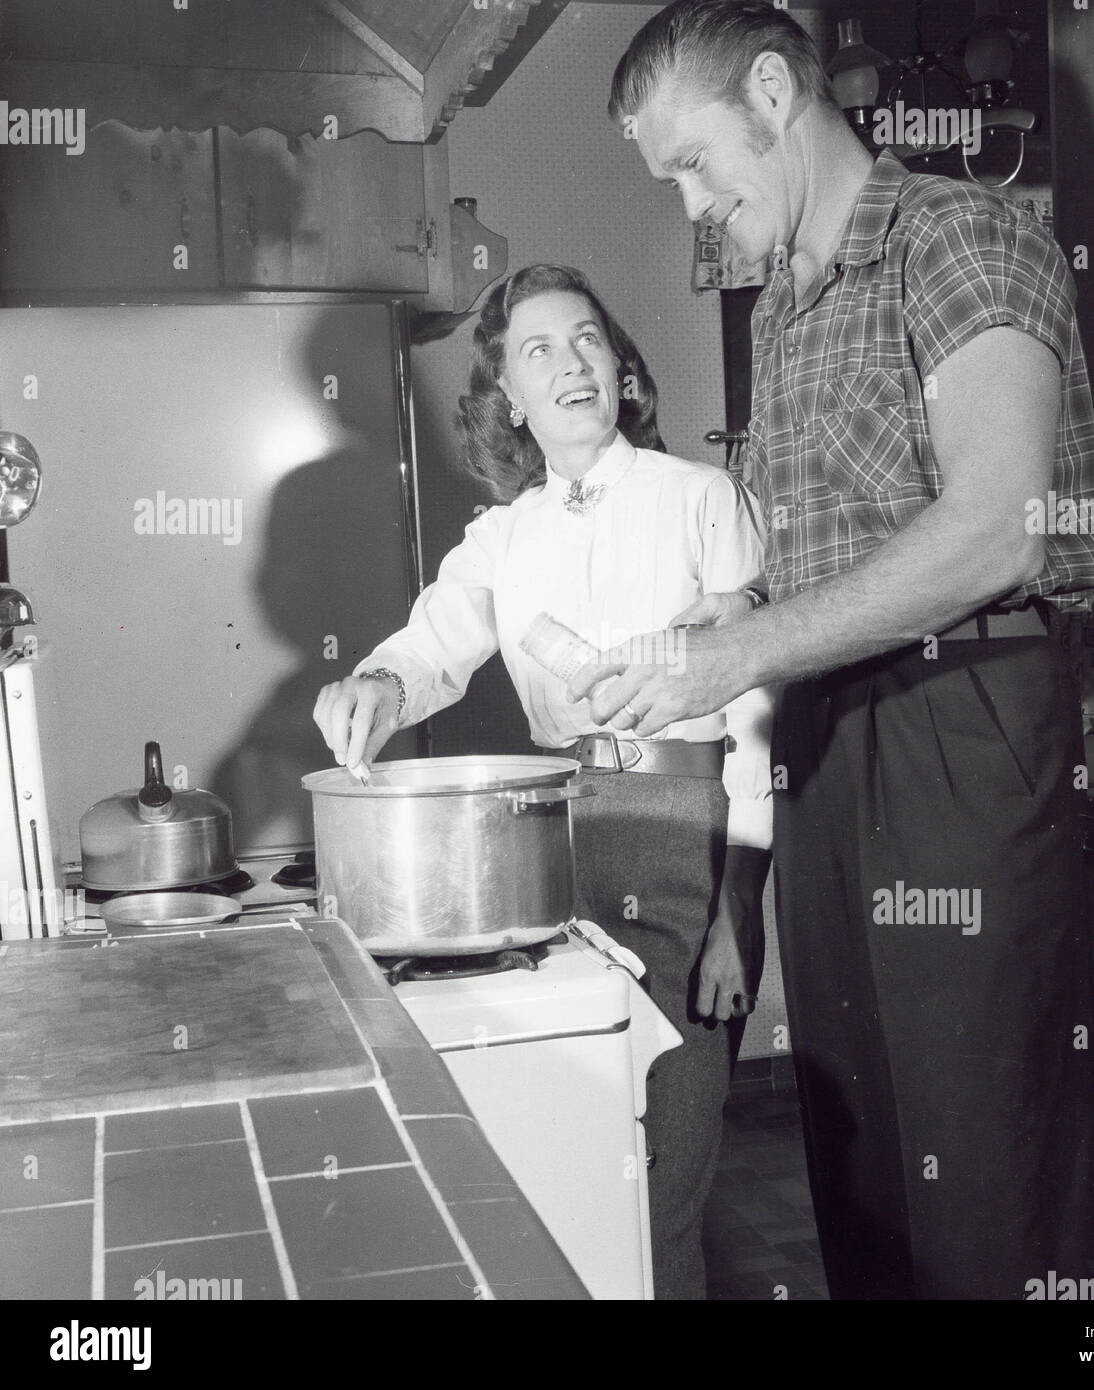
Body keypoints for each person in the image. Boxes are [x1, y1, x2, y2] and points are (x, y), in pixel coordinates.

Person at [578, 0, 1094, 1299]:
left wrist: (755, 638)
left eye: (694, 165)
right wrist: (727, 618)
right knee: (860, 1163)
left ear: (772, 92)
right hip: (828, 737)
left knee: (981, 1182)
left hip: (959, 723)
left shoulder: (959, 233)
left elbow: (997, 529)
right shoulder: (786, 306)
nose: (692, 207)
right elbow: (835, 552)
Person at [312, 263, 774, 1300]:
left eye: (585, 339)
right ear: (509, 400)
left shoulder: (705, 500)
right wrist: (377, 684)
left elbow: (758, 709)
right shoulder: (501, 537)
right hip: (552, 849)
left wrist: (737, 907)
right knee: (575, 1154)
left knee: (667, 1177)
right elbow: (431, 646)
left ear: (622, 367)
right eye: (536, 350)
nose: (568, 362)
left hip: (683, 841)